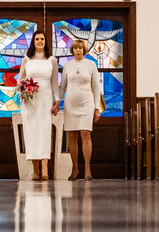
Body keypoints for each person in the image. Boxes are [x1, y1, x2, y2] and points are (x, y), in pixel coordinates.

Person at [54, 39, 102, 180]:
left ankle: (87, 168)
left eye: (81, 48)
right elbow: (62, 86)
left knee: (85, 134)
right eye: (75, 48)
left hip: (86, 102)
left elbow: (96, 87)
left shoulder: (91, 64)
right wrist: (57, 102)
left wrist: (97, 108)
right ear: (72, 50)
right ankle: (75, 169)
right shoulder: (67, 65)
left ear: (84, 50)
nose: (78, 50)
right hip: (70, 103)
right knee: (72, 136)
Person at [17, 30, 57, 181]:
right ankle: (35, 169)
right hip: (30, 101)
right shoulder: (26, 59)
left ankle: (45, 169)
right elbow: (19, 81)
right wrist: (24, 89)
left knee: (44, 131)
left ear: (46, 42)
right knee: (32, 132)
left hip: (46, 99)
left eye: (42, 39)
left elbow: (54, 82)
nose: (40, 41)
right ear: (33, 42)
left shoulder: (51, 60)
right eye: (37, 39)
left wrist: (57, 100)